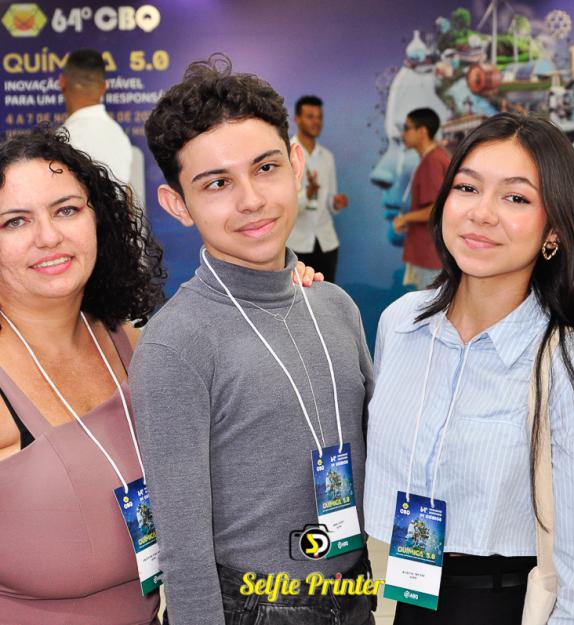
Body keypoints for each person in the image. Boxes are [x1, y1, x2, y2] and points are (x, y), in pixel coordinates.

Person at [130, 58, 374, 625]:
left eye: (265, 168)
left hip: (354, 593)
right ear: (177, 204)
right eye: (217, 183)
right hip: (252, 606)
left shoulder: (334, 306)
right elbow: (183, 549)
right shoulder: (176, 344)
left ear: (295, 164)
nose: (251, 200)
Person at [365, 112, 574, 624]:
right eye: (467, 187)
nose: (481, 213)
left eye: (516, 198)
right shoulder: (401, 325)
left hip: (510, 606)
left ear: (554, 230)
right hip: (412, 598)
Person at [0, 126, 165, 624]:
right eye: (14, 221)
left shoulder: (130, 342)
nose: (49, 237)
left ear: (100, 219)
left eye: (66, 210)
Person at [287, 95, 348, 282]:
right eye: (310, 116)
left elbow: (329, 202)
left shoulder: (327, 157)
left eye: (319, 117)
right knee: (296, 295)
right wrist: (307, 195)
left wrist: (336, 203)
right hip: (296, 243)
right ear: (297, 119)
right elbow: (283, 204)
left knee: (327, 294)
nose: (316, 122)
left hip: (326, 242)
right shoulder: (285, 153)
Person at [393, 108, 449, 290]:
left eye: (407, 128)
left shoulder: (432, 161)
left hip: (430, 253)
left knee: (429, 303)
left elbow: (435, 209)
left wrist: (404, 218)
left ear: (422, 131)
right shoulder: (434, 157)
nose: (403, 134)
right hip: (431, 251)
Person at [60, 48, 133, 185]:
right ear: (104, 87)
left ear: (62, 82)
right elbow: (127, 192)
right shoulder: (119, 137)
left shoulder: (64, 139)